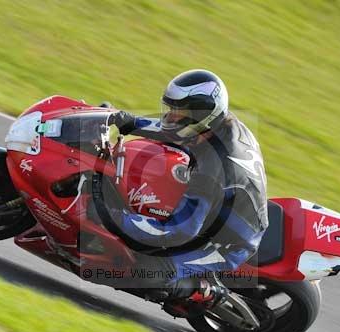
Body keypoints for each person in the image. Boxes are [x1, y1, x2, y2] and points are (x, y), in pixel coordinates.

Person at [106, 69, 268, 311]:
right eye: (170, 109)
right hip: (228, 203)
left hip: (227, 244)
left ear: (202, 115)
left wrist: (116, 219)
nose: (171, 117)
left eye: (178, 112)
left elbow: (181, 231)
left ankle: (208, 294)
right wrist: (126, 121)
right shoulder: (219, 125)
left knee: (147, 272)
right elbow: (172, 130)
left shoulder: (212, 167)